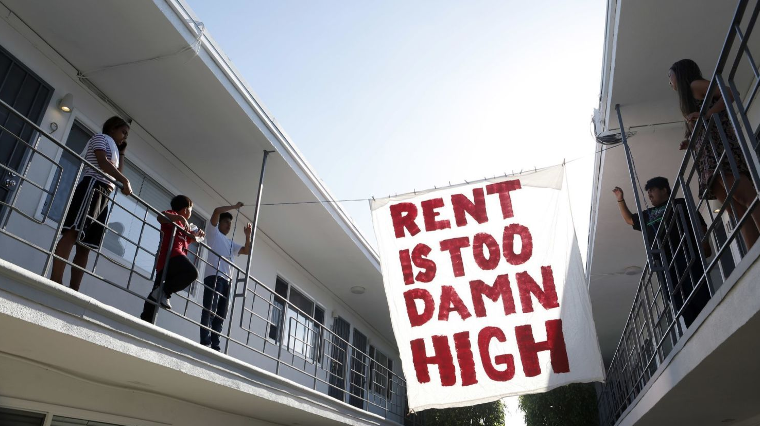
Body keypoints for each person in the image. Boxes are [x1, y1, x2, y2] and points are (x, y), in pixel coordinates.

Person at [668, 59, 760, 249]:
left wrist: (706, 114)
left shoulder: (694, 85)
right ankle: (754, 250)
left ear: (680, 73)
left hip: (718, 148)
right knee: (735, 209)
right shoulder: (688, 98)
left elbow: (730, 93)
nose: (669, 80)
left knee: (744, 196)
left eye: (670, 75)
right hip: (707, 155)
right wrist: (691, 141)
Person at [613, 177, 711, 327]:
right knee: (676, 298)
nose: (649, 194)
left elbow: (699, 223)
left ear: (664, 190)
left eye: (652, 190)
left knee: (696, 288)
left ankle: (709, 319)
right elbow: (630, 220)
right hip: (664, 263)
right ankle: (693, 327)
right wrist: (620, 199)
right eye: (648, 192)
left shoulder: (679, 203)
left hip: (685, 253)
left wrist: (704, 243)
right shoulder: (648, 214)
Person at [51, 116, 133, 291]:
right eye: (123, 132)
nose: (125, 137)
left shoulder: (115, 149)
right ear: (112, 128)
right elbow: (102, 163)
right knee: (73, 231)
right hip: (93, 186)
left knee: (86, 245)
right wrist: (125, 181)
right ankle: (55, 279)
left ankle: (74, 289)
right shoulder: (100, 138)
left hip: (105, 193)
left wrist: (122, 153)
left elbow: (116, 172)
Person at [140, 195, 204, 322]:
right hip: (171, 256)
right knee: (192, 273)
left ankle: (146, 320)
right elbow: (161, 217)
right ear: (185, 209)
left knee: (156, 294)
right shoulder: (173, 215)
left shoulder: (185, 226)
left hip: (173, 261)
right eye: (191, 209)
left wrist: (199, 235)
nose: (191, 213)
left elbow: (192, 239)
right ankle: (164, 293)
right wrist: (179, 218)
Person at [200, 202, 253, 351]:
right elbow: (216, 210)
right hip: (214, 276)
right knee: (210, 309)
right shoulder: (213, 233)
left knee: (221, 314)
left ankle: (215, 344)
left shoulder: (230, 243)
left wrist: (247, 236)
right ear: (219, 223)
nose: (229, 225)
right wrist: (234, 207)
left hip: (227, 280)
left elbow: (246, 250)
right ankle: (205, 341)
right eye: (226, 222)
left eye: (230, 223)